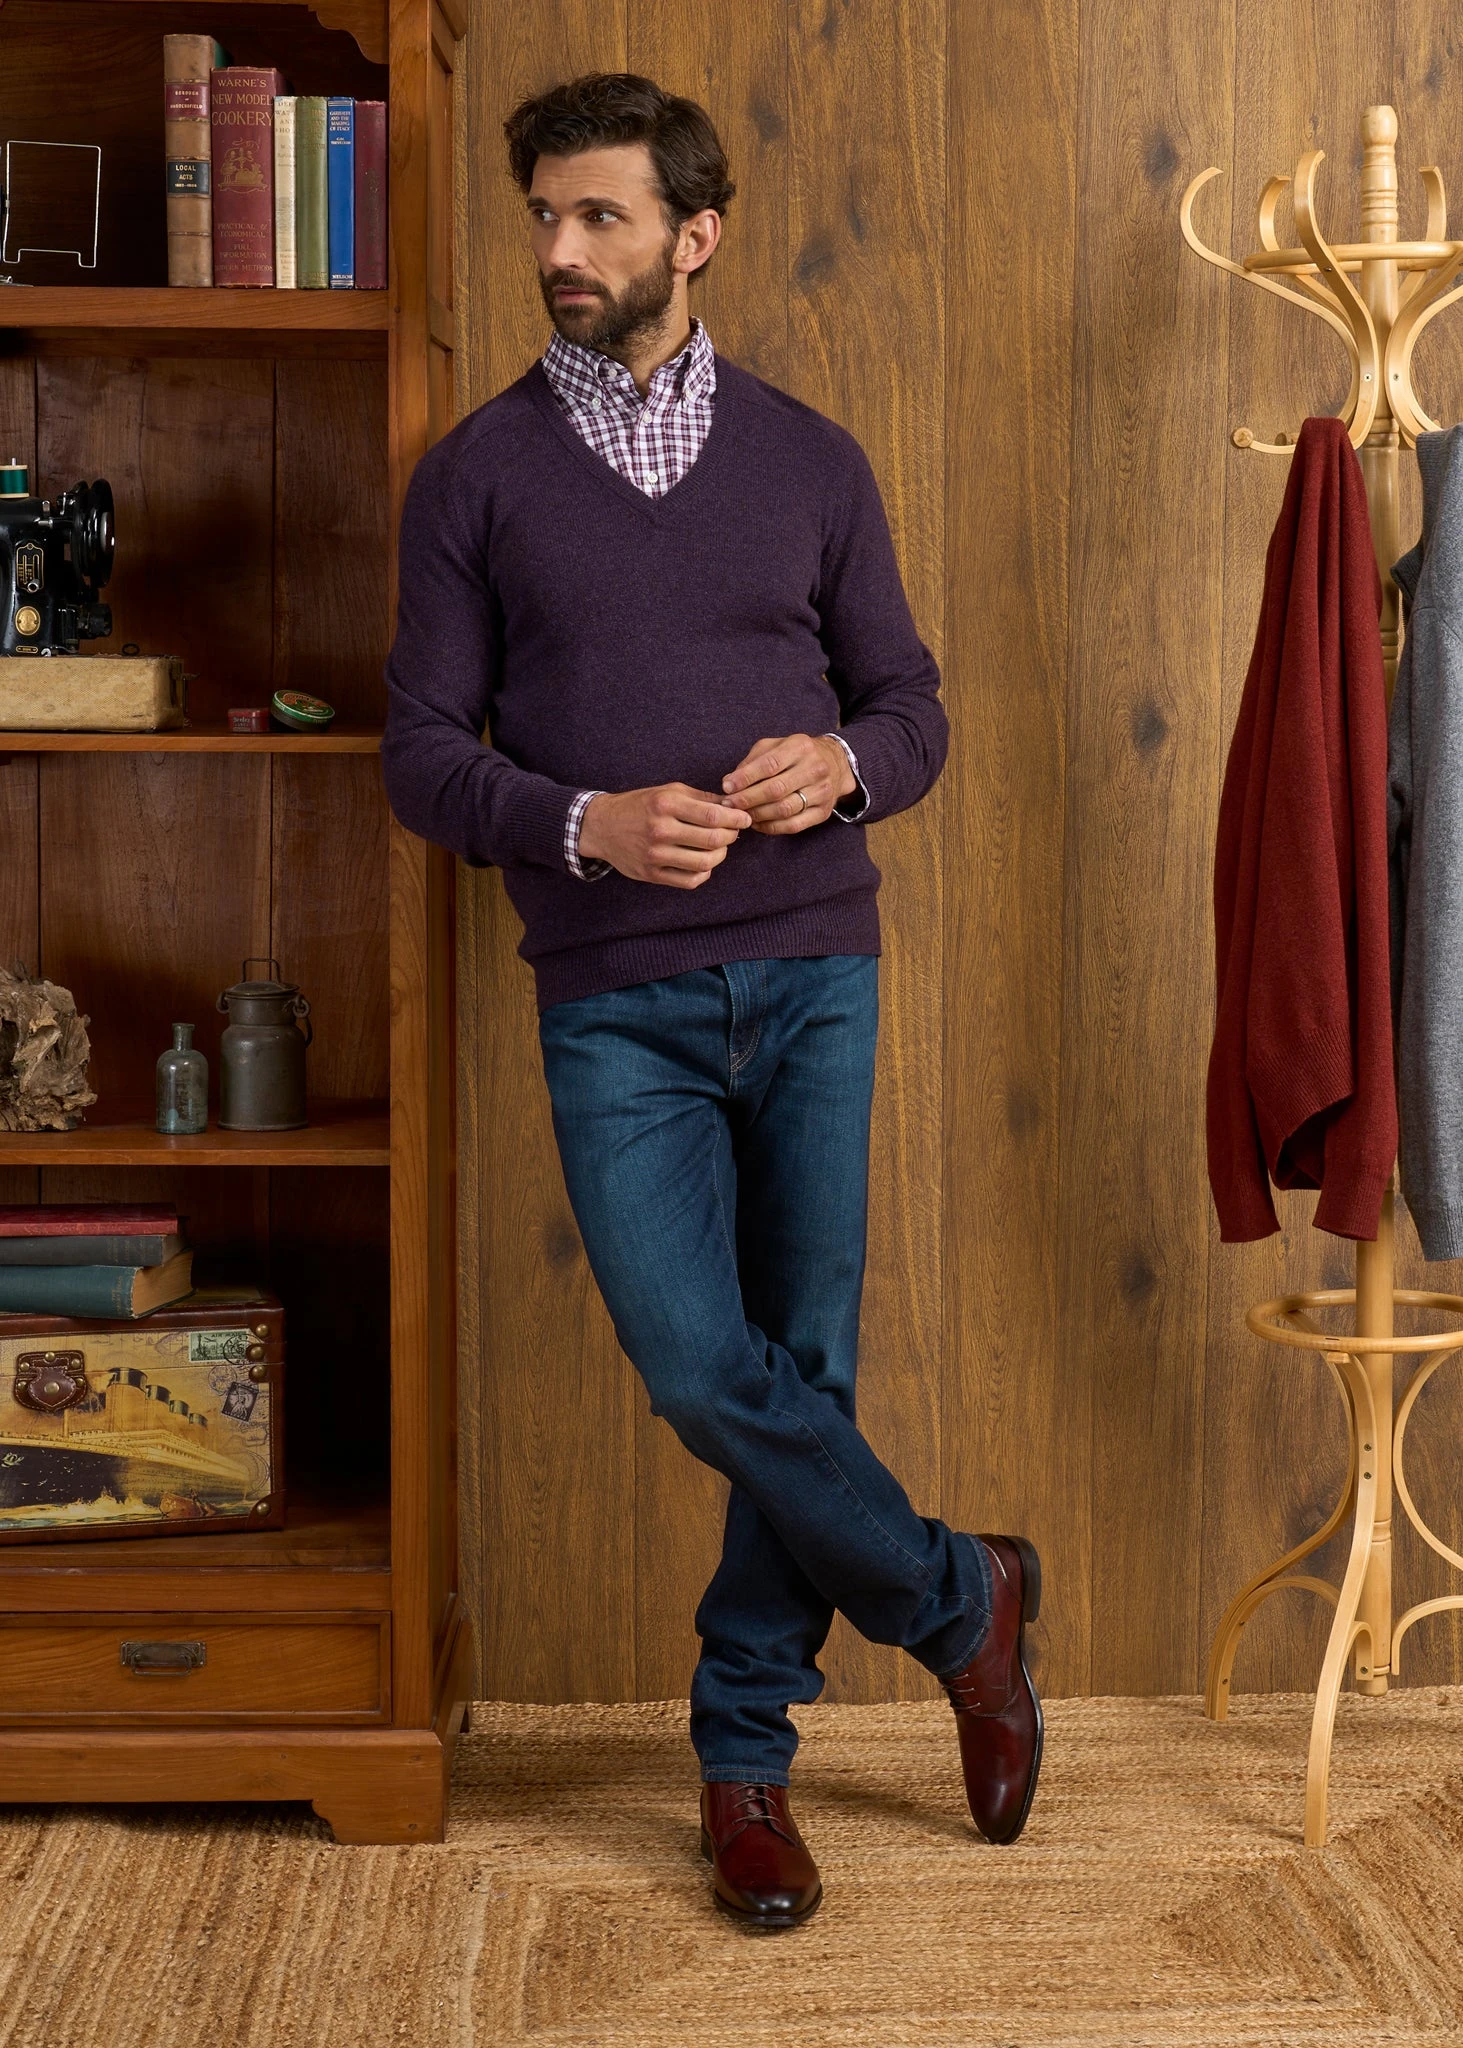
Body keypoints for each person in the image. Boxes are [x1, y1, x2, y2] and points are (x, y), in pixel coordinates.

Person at [381, 71, 1043, 1931]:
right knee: (701, 1368)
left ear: (696, 234)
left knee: (799, 1376)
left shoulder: (810, 461)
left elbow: (910, 708)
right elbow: (420, 752)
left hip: (816, 967)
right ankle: (961, 1603)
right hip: (614, 995)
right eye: (542, 214)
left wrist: (843, 767)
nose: (558, 248)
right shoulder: (478, 475)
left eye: (597, 215)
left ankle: (743, 1761)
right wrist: (579, 821)